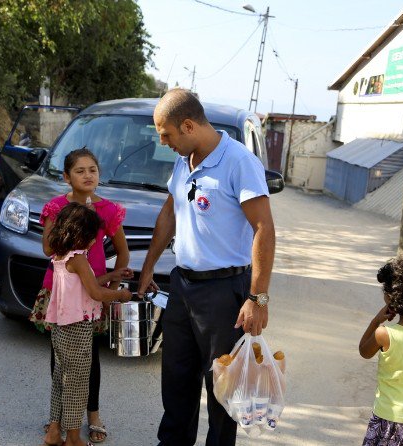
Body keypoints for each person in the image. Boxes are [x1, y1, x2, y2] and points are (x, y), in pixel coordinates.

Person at [137, 89, 275, 446]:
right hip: (183, 287)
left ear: (188, 125)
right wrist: (149, 267)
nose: (163, 141)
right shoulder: (185, 159)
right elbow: (170, 212)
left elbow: (263, 227)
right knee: (177, 379)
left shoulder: (239, 162)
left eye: (165, 134)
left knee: (222, 388)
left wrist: (258, 298)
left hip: (223, 294)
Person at [29, 147, 133, 443]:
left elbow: (123, 253)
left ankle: (93, 415)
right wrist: (73, 221)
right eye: (79, 171)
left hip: (93, 290)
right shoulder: (56, 206)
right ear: (66, 177)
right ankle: (57, 423)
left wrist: (110, 287)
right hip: (60, 290)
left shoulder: (109, 210)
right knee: (60, 358)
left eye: (92, 170)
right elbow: (48, 249)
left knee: (90, 359)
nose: (87, 175)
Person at [359, 256, 403, 446]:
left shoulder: (384, 334)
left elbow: (363, 350)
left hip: (389, 420)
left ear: (391, 297)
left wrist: (376, 320)